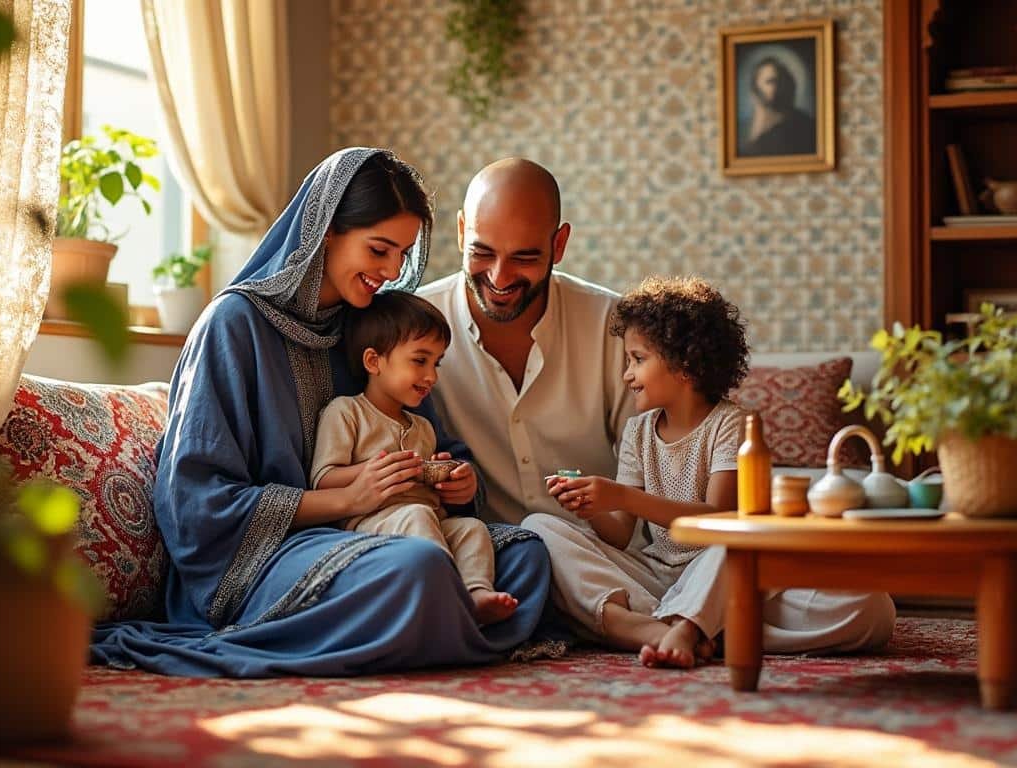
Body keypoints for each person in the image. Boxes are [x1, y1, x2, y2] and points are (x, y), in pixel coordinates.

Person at [90, 148, 551, 677]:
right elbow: (195, 504)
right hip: (262, 560)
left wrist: (456, 484)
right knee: (419, 566)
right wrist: (346, 498)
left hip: (382, 534)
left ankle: (425, 624)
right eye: (379, 250)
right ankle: (432, 624)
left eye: (402, 254)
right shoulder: (234, 325)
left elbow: (435, 440)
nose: (391, 271)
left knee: (525, 555)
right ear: (326, 230)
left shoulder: (369, 330)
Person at [527, 277, 895, 668]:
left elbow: (720, 519)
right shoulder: (637, 431)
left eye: (637, 359)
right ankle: (672, 631)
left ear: (684, 365)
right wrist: (591, 505)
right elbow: (619, 533)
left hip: (725, 571)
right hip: (656, 577)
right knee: (539, 528)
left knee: (873, 610)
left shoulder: (730, 424)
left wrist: (620, 495)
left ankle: (685, 625)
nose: (626, 376)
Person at [418, 158, 637, 526]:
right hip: (488, 558)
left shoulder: (612, 323)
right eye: (482, 252)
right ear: (460, 232)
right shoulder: (411, 326)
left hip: (602, 553)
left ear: (560, 243)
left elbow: (649, 469)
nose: (499, 277)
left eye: (524, 257)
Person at [310, 291, 518, 625]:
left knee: (471, 528)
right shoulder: (347, 412)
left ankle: (475, 594)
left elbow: (431, 495)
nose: (432, 377)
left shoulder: (422, 426)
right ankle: (444, 595)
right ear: (374, 362)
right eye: (419, 361)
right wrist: (372, 471)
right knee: (418, 514)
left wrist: (448, 479)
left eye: (436, 363)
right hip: (369, 524)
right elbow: (322, 478)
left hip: (427, 520)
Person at [740, 56, 816, 157]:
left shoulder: (806, 125)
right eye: (770, 82)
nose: (780, 87)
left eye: (782, 81)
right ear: (755, 90)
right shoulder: (743, 128)